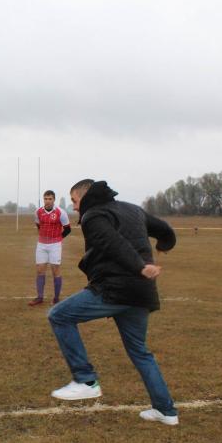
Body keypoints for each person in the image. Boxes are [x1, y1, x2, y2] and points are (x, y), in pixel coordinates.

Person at [47, 179, 179, 426]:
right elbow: (164, 228)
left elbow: (114, 244)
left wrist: (140, 267)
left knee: (59, 315)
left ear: (84, 197)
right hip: (141, 293)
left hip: (115, 289)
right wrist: (165, 244)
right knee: (140, 352)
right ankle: (166, 411)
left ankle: (85, 380)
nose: (74, 207)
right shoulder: (132, 209)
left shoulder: (93, 216)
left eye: (75, 201)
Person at [29, 190, 71, 306]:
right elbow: (39, 225)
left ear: (54, 200)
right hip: (41, 244)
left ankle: (56, 298)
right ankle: (39, 297)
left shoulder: (60, 212)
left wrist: (58, 239)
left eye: (50, 199)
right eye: (45, 199)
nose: (47, 201)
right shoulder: (38, 212)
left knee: (55, 271)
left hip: (55, 245)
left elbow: (68, 229)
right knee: (40, 270)